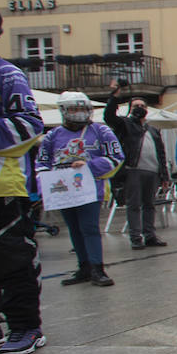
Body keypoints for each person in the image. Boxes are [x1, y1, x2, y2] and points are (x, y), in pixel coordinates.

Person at [0, 2, 47, 354]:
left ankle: (26, 327)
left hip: (3, 185)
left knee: (12, 258)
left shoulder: (5, 73)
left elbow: (29, 123)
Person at [38, 91, 124, 288]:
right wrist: (46, 179)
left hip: (90, 189)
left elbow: (117, 157)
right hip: (62, 190)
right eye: (74, 109)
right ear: (64, 111)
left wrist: (89, 165)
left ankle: (97, 268)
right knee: (74, 229)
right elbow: (41, 162)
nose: (78, 113)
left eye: (82, 108)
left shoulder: (102, 131)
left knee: (89, 228)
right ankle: (83, 266)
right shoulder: (52, 136)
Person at [104, 82, 169, 250]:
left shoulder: (153, 130)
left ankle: (150, 234)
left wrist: (164, 175)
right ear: (130, 109)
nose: (139, 108)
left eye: (142, 105)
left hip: (152, 171)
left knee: (149, 204)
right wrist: (115, 97)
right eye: (136, 106)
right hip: (133, 170)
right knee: (134, 205)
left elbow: (161, 153)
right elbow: (109, 117)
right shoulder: (125, 124)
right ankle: (135, 237)